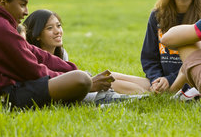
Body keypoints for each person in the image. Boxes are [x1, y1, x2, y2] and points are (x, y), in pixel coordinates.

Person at [23, 9, 152, 95]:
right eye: (50, 28)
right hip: (73, 89)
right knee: (111, 82)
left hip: (80, 83)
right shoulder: (33, 57)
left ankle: (154, 85)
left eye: (59, 25)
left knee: (110, 75)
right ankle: (151, 94)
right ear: (37, 34)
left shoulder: (62, 53)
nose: (57, 31)